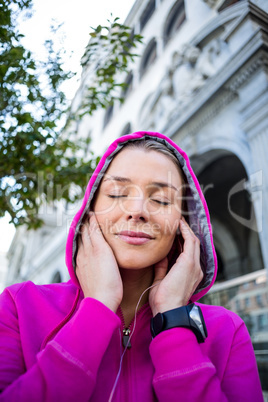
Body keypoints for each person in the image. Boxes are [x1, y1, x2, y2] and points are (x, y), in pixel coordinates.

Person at [0, 131, 263, 401]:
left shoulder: (227, 331)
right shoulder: (18, 307)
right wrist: (98, 308)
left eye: (161, 200)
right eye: (116, 194)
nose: (137, 210)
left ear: (184, 225)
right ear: (89, 212)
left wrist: (173, 322)